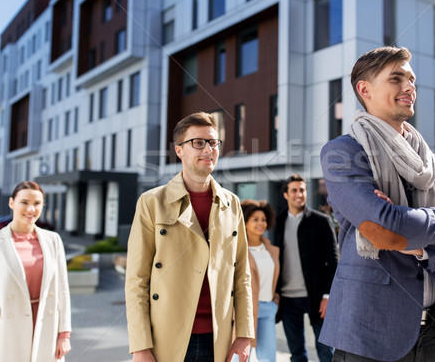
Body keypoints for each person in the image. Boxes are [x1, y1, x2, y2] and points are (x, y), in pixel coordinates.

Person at [319, 46, 435, 362]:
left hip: (434, 334)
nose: (409, 87)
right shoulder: (343, 153)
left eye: (411, 79)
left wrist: (421, 245)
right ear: (364, 89)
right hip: (368, 334)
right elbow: (384, 229)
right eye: (396, 78)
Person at [125, 112, 254, 362]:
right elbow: (136, 279)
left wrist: (244, 335)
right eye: (198, 142)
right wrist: (140, 346)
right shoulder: (152, 202)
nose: (208, 149)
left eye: (213, 142)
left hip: (220, 338)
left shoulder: (232, 203)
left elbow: (242, 276)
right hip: (167, 338)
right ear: (179, 150)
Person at [0, 181, 72, 362]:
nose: (31, 209)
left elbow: (63, 290)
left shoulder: (53, 240)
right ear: (11, 203)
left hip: (45, 326)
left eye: (37, 204)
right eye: (25, 202)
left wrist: (64, 334)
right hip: (5, 332)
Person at [271, 175, 339, 362]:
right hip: (287, 299)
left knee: (326, 352)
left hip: (317, 298)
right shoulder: (278, 222)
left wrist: (328, 296)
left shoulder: (322, 221)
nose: (299, 194)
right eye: (294, 190)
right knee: (297, 354)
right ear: (286, 194)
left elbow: (334, 261)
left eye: (302, 190)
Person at [238, 200, 280, 362]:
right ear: (245, 222)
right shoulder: (238, 250)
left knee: (269, 358)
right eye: (255, 219)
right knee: (240, 357)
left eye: (263, 219)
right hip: (244, 311)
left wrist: (275, 301)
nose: (261, 223)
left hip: (267, 308)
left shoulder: (271, 249)